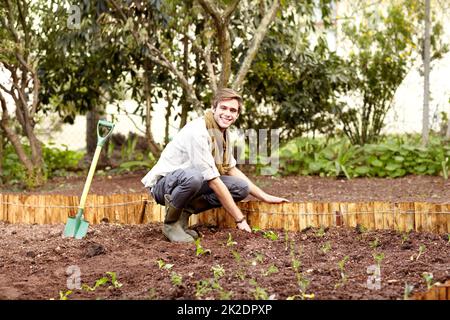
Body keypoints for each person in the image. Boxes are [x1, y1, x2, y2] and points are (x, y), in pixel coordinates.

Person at [141, 88, 289, 242]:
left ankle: (182, 216)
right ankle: (171, 224)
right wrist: (240, 219)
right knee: (194, 177)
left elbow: (230, 169)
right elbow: (213, 181)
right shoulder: (198, 132)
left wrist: (264, 196)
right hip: (164, 186)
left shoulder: (223, 133)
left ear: (237, 115)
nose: (227, 113)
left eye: (233, 110)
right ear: (213, 108)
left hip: (188, 182)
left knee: (241, 188)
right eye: (223, 108)